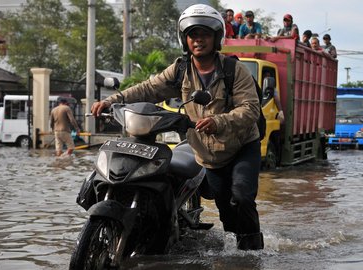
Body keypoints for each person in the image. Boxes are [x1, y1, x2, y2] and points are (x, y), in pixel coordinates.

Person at [91, 4, 264, 250]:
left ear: (216, 38)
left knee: (242, 197)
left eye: (205, 34)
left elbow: (250, 108)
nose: (198, 40)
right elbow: (149, 88)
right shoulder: (181, 69)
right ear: (185, 39)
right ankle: (234, 246)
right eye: (193, 35)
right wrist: (112, 100)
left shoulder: (233, 70)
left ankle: (253, 252)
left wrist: (218, 121)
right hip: (208, 153)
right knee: (226, 207)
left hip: (241, 146)